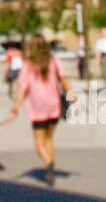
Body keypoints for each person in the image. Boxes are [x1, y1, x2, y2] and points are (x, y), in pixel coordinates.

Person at [7, 36, 68, 186]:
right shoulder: (54, 61)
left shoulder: (28, 65)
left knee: (39, 143)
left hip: (37, 108)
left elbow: (22, 90)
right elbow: (65, 81)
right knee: (49, 139)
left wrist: (15, 109)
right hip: (54, 106)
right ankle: (50, 164)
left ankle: (49, 164)